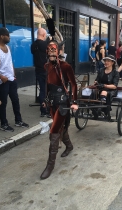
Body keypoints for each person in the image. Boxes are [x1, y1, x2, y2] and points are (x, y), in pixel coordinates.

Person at [40, 39, 78, 180]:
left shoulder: (66, 66)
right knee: (62, 128)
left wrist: (74, 102)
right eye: (49, 49)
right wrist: (45, 99)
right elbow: (47, 84)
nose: (51, 52)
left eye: (54, 49)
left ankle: (50, 166)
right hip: (52, 102)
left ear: (59, 51)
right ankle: (69, 146)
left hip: (63, 102)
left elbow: (73, 85)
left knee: (54, 131)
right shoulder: (46, 66)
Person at [0, 27, 29, 132]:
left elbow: (10, 62)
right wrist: (0, 76)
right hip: (2, 81)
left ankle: (18, 121)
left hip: (11, 79)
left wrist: (13, 75)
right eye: (7, 35)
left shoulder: (8, 48)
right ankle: (4, 124)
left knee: (15, 100)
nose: (9, 37)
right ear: (1, 36)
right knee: (3, 103)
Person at [31, 28, 50, 117]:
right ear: (43, 35)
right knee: (47, 90)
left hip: (37, 70)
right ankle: (45, 109)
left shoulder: (33, 45)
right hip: (45, 70)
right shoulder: (45, 44)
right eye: (45, 35)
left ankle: (43, 110)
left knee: (42, 90)